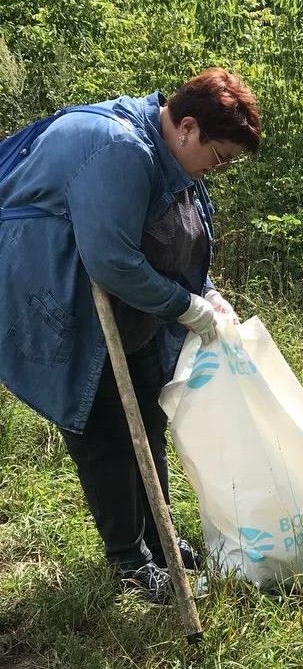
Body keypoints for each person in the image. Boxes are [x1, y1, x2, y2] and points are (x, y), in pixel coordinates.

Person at [0, 69, 261, 603]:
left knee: (147, 421)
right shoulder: (118, 150)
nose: (219, 169)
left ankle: (161, 539)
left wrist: (205, 293)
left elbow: (175, 243)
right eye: (219, 157)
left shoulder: (172, 158)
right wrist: (186, 308)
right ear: (187, 127)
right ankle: (130, 559)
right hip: (61, 302)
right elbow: (114, 260)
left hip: (131, 315)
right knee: (104, 436)